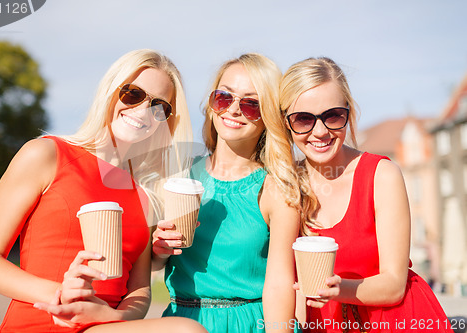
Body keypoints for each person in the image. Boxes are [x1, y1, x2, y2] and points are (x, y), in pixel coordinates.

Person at [0, 49, 206, 333]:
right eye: (133, 94)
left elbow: (139, 290)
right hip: (43, 322)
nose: (143, 111)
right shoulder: (45, 154)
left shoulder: (147, 193)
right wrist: (62, 295)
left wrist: (111, 316)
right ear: (110, 91)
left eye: (159, 107)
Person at [279, 56, 454, 333]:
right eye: (303, 119)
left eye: (333, 116)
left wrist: (338, 290)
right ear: (286, 122)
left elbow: (395, 285)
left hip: (396, 322)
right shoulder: (286, 184)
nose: (321, 131)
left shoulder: (382, 175)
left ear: (348, 113)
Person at [152, 53, 304, 333]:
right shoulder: (179, 174)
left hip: (249, 324)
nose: (233, 110)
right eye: (224, 97)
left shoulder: (276, 187)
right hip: (180, 322)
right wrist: (160, 251)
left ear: (268, 114)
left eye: (251, 104)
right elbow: (149, 265)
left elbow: (279, 284)